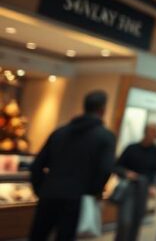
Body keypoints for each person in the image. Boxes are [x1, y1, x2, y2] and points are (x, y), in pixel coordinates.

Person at [28, 90, 115, 241]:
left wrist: (41, 189)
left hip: (49, 192)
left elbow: (37, 165)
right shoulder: (105, 137)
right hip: (77, 198)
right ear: (102, 110)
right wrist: (92, 192)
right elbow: (105, 170)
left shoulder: (60, 132)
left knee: (38, 235)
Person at [114, 122, 156, 241]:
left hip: (143, 188)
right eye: (152, 132)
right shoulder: (132, 148)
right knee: (125, 221)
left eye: (155, 134)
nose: (154, 136)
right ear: (146, 132)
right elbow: (117, 166)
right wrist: (127, 173)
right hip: (129, 187)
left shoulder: (155, 151)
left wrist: (153, 186)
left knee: (136, 221)